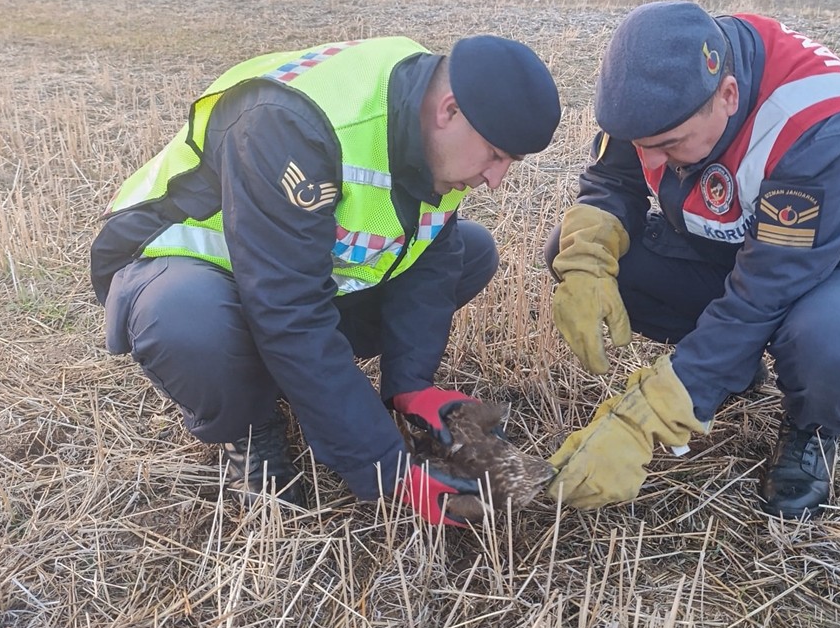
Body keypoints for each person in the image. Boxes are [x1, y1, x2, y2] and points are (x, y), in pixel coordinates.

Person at [90, 34, 561, 527]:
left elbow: (429, 256)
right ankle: (249, 426)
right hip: (178, 269)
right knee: (187, 320)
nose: (496, 179)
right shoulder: (289, 128)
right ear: (449, 111)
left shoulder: (431, 128)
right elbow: (290, 312)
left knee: (472, 249)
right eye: (495, 155)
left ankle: (299, 382)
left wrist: (410, 384)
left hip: (290, 273)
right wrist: (388, 469)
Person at [545, 2, 840, 519]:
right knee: (588, 252)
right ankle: (732, 368)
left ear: (727, 96)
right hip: (735, 252)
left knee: (834, 338)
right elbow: (614, 180)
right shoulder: (665, 83)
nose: (652, 161)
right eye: (644, 145)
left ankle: (811, 429)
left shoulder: (823, 132)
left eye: (667, 145)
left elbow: (765, 293)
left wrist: (644, 419)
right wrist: (587, 261)